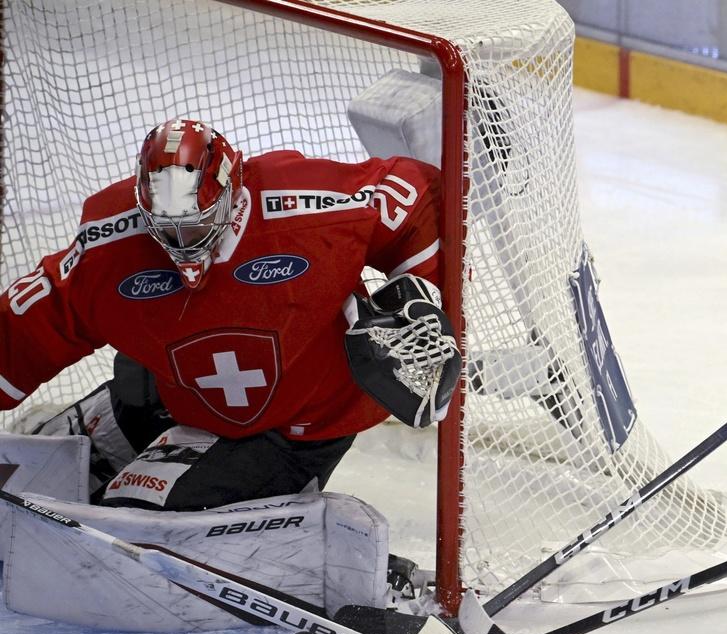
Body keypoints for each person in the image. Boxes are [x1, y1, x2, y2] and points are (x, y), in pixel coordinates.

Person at [0, 117, 460, 515]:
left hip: (303, 424)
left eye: (197, 221)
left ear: (231, 191)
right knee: (34, 461)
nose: (182, 239)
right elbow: (40, 314)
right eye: (166, 226)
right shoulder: (110, 239)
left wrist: (423, 297)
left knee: (130, 517)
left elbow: (416, 189)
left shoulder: (309, 205)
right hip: (187, 397)